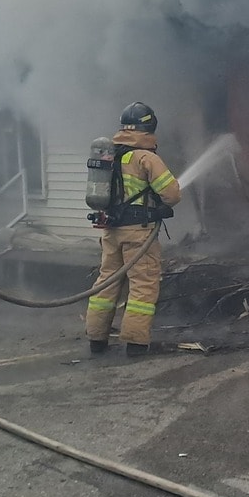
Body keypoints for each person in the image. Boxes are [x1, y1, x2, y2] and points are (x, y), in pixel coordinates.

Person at [85, 102, 181, 357]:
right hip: (139, 232)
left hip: (111, 231)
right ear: (149, 126)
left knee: (106, 282)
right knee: (143, 285)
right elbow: (171, 194)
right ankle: (136, 344)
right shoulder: (146, 158)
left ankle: (96, 339)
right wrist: (161, 205)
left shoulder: (111, 154)